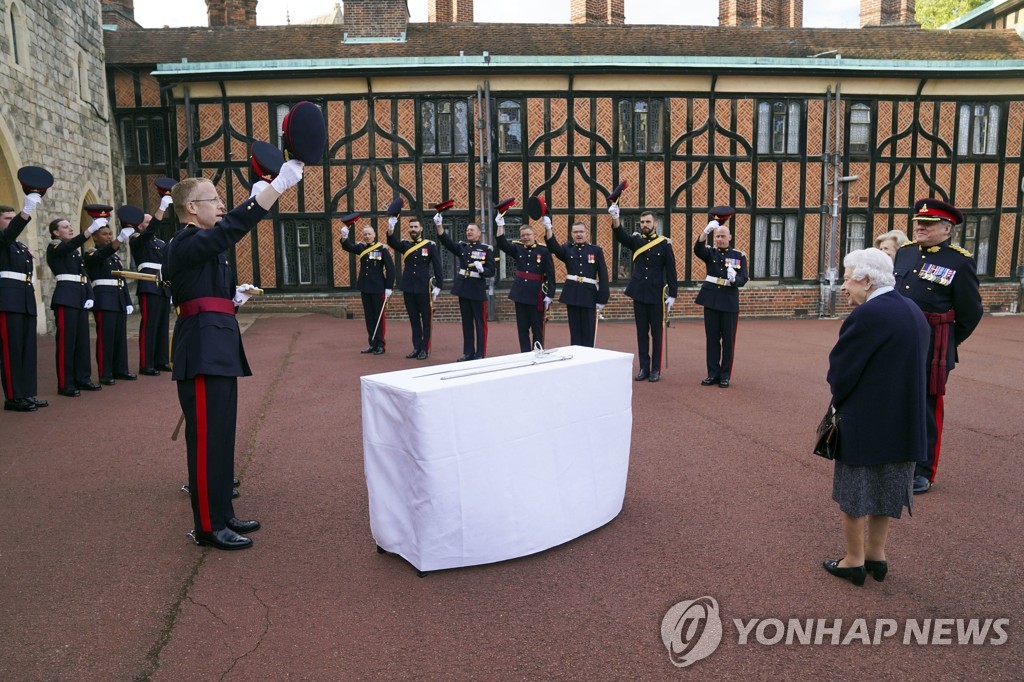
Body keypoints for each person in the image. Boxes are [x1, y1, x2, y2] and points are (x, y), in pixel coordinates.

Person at [163, 162, 303, 550]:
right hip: (203, 350)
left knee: (222, 437)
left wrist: (233, 301)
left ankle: (222, 511)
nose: (221, 206)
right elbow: (230, 230)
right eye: (214, 200)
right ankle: (207, 526)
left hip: (218, 345)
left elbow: (209, 298)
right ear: (191, 207)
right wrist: (271, 191)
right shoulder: (187, 241)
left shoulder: (208, 248)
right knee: (207, 440)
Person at [823, 247, 930, 586]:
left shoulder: (866, 315)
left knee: (855, 493)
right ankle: (876, 556)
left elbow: (841, 372)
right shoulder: (913, 309)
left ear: (866, 280)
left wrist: (838, 400)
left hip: (866, 418)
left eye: (847, 277)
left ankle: (853, 560)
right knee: (887, 491)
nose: (843, 286)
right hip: (905, 418)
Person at [893, 198, 983, 495]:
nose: (919, 227)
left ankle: (923, 470)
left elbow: (971, 312)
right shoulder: (904, 254)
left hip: (934, 346)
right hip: (900, 341)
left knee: (927, 407)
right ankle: (898, 460)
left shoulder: (958, 261)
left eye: (928, 224)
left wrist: (948, 343)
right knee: (897, 401)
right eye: (918, 222)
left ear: (946, 228)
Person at [609, 206, 677, 382]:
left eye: (648, 222)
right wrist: (615, 218)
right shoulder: (636, 240)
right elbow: (620, 236)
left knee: (656, 333)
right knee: (641, 333)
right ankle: (644, 368)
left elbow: (671, 271)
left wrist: (673, 295)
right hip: (639, 293)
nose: (644, 225)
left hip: (656, 294)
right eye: (642, 222)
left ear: (655, 223)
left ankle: (656, 369)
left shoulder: (664, 244)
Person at [46, 216, 104, 396]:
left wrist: (90, 294)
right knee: (67, 342)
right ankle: (65, 383)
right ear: (56, 232)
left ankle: (83, 378)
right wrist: (88, 231)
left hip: (79, 296)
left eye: (71, 226)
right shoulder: (55, 246)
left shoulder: (74, 252)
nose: (70, 229)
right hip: (65, 297)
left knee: (82, 340)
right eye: (65, 227)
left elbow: (83, 274)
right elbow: (68, 246)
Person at [0, 197, 47, 412]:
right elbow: (7, 236)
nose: (11, 221)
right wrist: (26, 211)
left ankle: (27, 393)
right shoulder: (3, 240)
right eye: (7, 218)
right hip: (7, 301)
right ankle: (13, 396)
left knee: (27, 350)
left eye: (13, 217)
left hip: (25, 298)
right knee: (12, 350)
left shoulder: (19, 245)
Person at [694, 211, 748, 388]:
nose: (719, 239)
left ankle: (725, 375)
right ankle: (712, 374)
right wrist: (705, 232)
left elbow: (744, 278)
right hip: (711, 300)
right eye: (717, 236)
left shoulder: (739, 255)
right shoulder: (711, 253)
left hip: (729, 301)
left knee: (728, 341)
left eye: (723, 236)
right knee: (711, 340)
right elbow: (698, 250)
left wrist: (734, 280)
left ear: (730, 237)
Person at [84, 216, 137, 385]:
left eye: (110, 234)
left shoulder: (114, 258)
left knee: (120, 337)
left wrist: (127, 300)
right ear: (95, 237)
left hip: (118, 298)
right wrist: (119, 240)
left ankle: (120, 369)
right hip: (104, 299)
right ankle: (105, 373)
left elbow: (121, 280)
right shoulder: (91, 253)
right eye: (105, 234)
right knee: (106, 338)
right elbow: (100, 256)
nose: (108, 237)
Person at [543, 219, 609, 347]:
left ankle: (588, 361)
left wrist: (602, 299)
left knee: (588, 331)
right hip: (572, 293)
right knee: (575, 332)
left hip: (589, 294)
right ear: (572, 234)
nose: (578, 234)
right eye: (575, 232)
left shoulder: (595, 251)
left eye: (581, 232)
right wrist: (548, 227)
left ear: (586, 234)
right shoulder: (567, 249)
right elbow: (553, 247)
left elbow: (603, 275)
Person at [436, 217, 495, 360]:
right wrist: (439, 225)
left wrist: (482, 270)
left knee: (480, 324)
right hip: (463, 288)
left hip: (477, 289)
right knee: (466, 323)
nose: (468, 232)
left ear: (479, 233)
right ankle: (468, 352)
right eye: (467, 230)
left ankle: (480, 353)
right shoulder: (463, 247)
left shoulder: (486, 249)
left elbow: (491, 271)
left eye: (472, 230)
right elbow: (447, 242)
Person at [386, 214, 443, 359]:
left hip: (424, 287)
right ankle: (416, 347)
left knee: (426, 319)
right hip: (408, 287)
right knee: (413, 319)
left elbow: (437, 266)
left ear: (421, 229)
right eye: (411, 227)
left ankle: (424, 348)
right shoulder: (405, 245)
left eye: (415, 227)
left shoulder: (430, 245)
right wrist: (391, 227)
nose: (413, 229)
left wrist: (439, 286)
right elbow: (392, 242)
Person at [495, 216, 555, 352]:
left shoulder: (543, 251)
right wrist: (500, 225)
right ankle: (525, 354)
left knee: (537, 328)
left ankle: (538, 351)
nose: (525, 237)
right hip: (520, 294)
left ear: (534, 235)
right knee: (522, 328)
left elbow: (551, 275)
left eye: (528, 234)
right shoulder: (517, 248)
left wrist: (550, 295)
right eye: (523, 235)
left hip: (536, 295)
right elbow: (502, 244)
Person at [129, 197, 173, 375]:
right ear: (140, 226)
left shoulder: (161, 243)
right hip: (148, 284)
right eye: (147, 222)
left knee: (163, 325)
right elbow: (150, 232)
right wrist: (161, 209)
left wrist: (170, 288)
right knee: (150, 325)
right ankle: (146, 363)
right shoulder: (137, 239)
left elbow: (167, 266)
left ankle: (161, 360)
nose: (151, 224)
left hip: (162, 286)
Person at [341, 222, 395, 354]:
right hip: (365, 287)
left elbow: (390, 269)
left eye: (369, 234)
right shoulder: (361, 247)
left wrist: (388, 287)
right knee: (369, 317)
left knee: (378, 317)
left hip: (378, 288)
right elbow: (347, 246)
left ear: (374, 235)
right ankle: (372, 343)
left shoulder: (382, 249)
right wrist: (344, 236)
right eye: (364, 234)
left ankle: (381, 345)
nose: (367, 236)